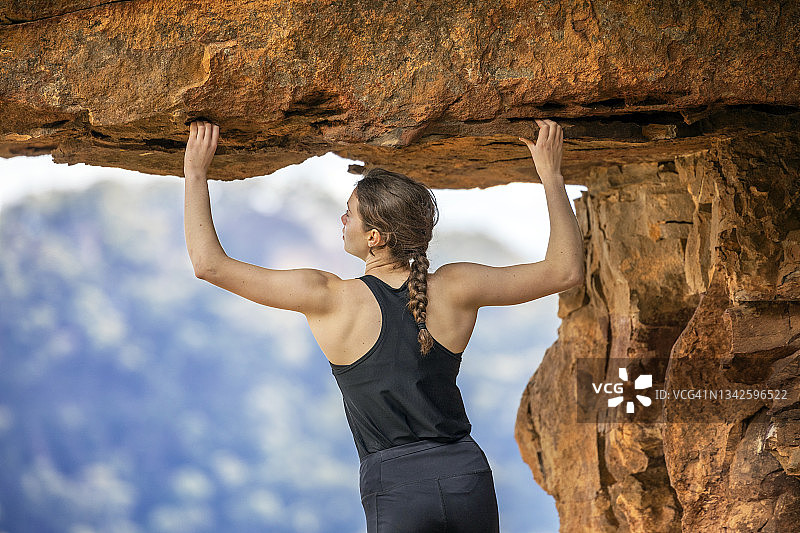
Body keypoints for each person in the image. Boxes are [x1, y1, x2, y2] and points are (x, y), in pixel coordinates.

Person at [183, 118, 584, 532]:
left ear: (374, 236)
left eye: (349, 214)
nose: (343, 220)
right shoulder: (457, 286)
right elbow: (565, 271)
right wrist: (551, 176)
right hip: (466, 476)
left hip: (395, 486)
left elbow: (209, 264)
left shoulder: (326, 296)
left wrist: (195, 172)